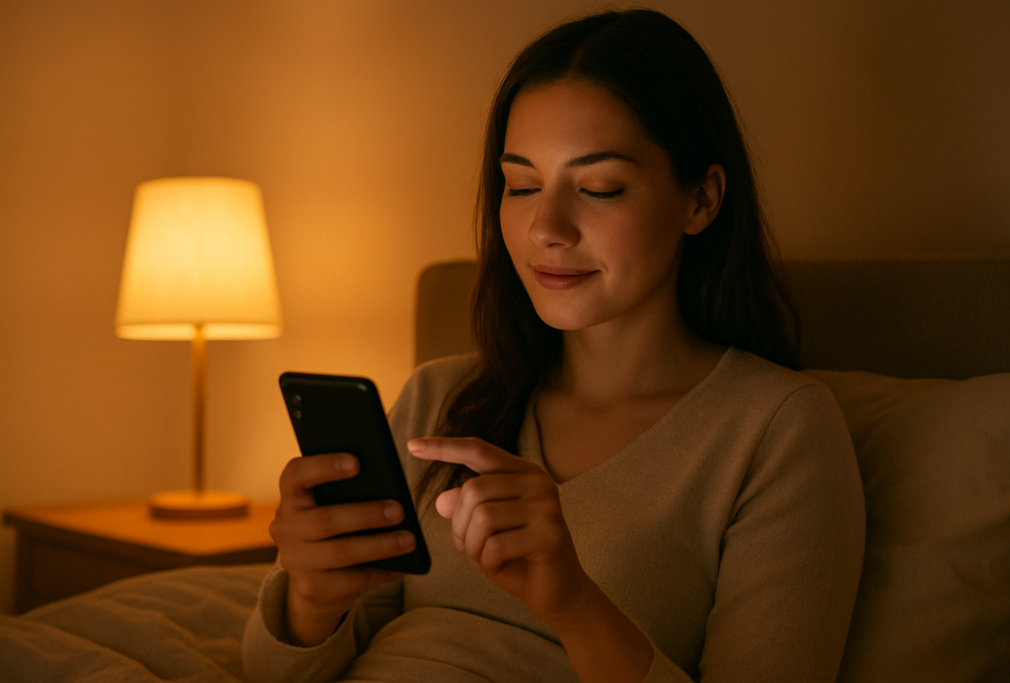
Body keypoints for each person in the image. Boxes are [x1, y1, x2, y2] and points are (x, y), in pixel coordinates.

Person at [242, 9, 865, 683]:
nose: (547, 227)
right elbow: (280, 670)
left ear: (702, 200)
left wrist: (573, 602)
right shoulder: (440, 396)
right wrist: (309, 595)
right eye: (522, 185)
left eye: (599, 187)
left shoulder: (778, 428)